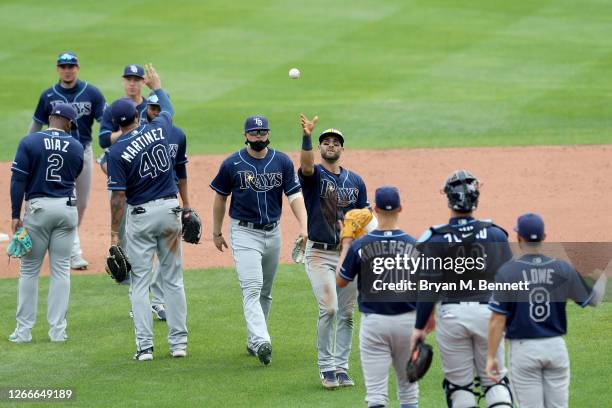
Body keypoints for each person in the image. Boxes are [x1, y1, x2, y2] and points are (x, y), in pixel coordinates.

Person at [410, 170, 514, 408]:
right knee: (495, 382)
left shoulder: (435, 239)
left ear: (448, 199)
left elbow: (428, 288)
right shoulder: (496, 234)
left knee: (460, 387)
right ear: (476, 198)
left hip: (452, 316)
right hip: (489, 316)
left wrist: (419, 327)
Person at [210, 115, 307, 366]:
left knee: (265, 291)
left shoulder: (282, 161)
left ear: (268, 133)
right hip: (244, 233)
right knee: (252, 288)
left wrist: (304, 226)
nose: (258, 137)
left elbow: (294, 195)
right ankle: (263, 340)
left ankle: (254, 340)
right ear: (245, 135)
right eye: (254, 133)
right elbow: (220, 198)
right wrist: (216, 232)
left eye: (262, 132)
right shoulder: (232, 164)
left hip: (273, 232)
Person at [106, 64, 187, 361]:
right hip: (169, 211)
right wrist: (157, 86)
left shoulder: (115, 153)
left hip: (139, 218)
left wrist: (115, 232)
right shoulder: (160, 128)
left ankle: (145, 348)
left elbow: (117, 197)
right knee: (173, 279)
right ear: (139, 115)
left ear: (117, 123)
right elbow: (167, 108)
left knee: (139, 282)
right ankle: (179, 344)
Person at [486, 213, 607, 408]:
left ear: (518, 239)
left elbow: (497, 320)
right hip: (556, 349)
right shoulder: (561, 268)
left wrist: (491, 357)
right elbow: (594, 300)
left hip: (524, 351)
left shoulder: (508, 272)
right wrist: (602, 277)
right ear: (544, 237)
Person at [298, 114, 369, 388]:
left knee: (347, 313)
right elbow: (305, 167)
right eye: (325, 142)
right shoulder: (314, 175)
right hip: (318, 253)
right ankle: (326, 368)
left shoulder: (356, 181)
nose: (330, 145)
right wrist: (306, 135)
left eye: (335, 142)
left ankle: (341, 367)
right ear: (320, 148)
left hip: (347, 254)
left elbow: (365, 214)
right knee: (329, 308)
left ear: (342, 148)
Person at [337, 186, 419, 408]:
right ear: (401, 208)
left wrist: (346, 243)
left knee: (375, 396)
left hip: (374, 325)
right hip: (408, 323)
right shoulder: (415, 246)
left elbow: (341, 280)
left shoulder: (360, 246)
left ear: (374, 210)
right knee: (409, 392)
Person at [9, 103, 84, 343]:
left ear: (50, 118)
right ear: (70, 123)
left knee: (29, 271)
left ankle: (23, 333)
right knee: (61, 270)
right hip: (66, 210)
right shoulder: (76, 146)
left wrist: (14, 215)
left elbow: (18, 181)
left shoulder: (29, 142)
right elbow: (75, 173)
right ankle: (58, 332)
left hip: (39, 210)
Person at [29, 52, 106, 271]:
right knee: (68, 200)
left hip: (83, 151)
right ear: (57, 69)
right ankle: (73, 251)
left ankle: (66, 239)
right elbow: (35, 126)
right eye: (63, 66)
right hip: (56, 153)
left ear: (78, 68)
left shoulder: (91, 93)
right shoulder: (48, 96)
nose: (67, 69)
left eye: (71, 65)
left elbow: (106, 122)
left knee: (81, 203)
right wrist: (27, 149)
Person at [145, 92, 191, 322]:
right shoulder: (139, 134)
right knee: (143, 257)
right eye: (151, 108)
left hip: (169, 201)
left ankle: (157, 301)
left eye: (158, 108)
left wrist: (187, 205)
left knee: (169, 256)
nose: (154, 112)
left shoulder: (178, 135)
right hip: (141, 202)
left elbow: (181, 172)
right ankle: (142, 302)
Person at [98, 64, 148, 174]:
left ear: (143, 82)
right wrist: (130, 130)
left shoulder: (151, 108)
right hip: (121, 165)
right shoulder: (113, 108)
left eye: (136, 80)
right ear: (123, 81)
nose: (132, 84)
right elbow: (103, 140)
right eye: (128, 79)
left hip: (147, 163)